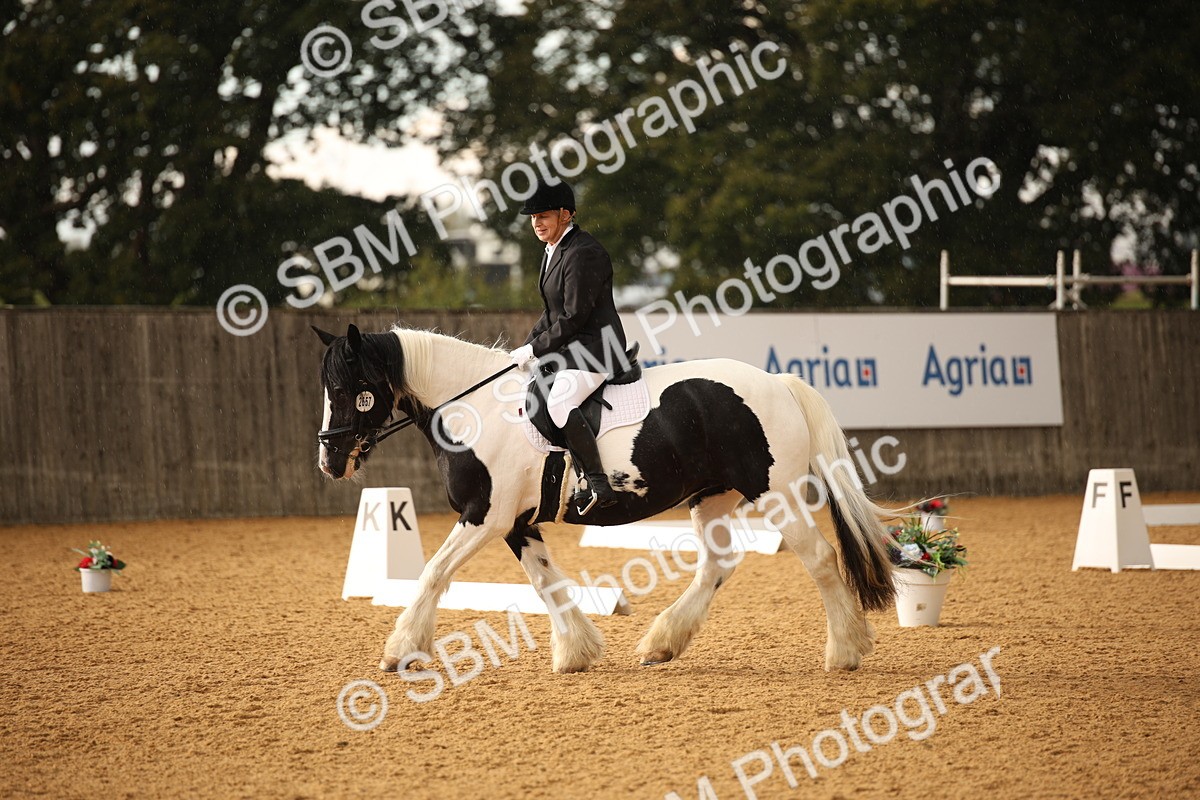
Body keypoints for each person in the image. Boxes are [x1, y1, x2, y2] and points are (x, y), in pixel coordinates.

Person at [509, 179, 628, 513]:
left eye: (544, 216)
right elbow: (551, 314)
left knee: (560, 400)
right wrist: (525, 348)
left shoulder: (583, 252)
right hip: (571, 350)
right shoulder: (553, 250)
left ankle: (598, 484)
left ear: (566, 214)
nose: (537, 223)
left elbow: (574, 316)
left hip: (597, 349)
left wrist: (536, 350)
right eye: (533, 218)